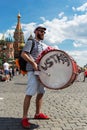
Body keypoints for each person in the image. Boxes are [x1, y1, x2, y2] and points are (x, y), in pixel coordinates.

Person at [21, 26, 49, 128]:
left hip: (41, 72)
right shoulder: (31, 42)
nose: (43, 33)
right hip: (32, 71)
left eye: (44, 32)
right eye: (41, 31)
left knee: (41, 92)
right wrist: (33, 63)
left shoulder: (43, 45)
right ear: (35, 31)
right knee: (30, 93)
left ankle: (37, 114)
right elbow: (24, 54)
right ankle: (24, 118)